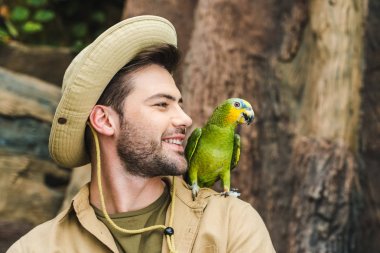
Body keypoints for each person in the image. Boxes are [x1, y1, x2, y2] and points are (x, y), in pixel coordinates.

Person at [7, 15, 276, 253]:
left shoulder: (231, 224)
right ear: (104, 121)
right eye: (161, 104)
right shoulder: (36, 248)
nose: (185, 119)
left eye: (178, 104)